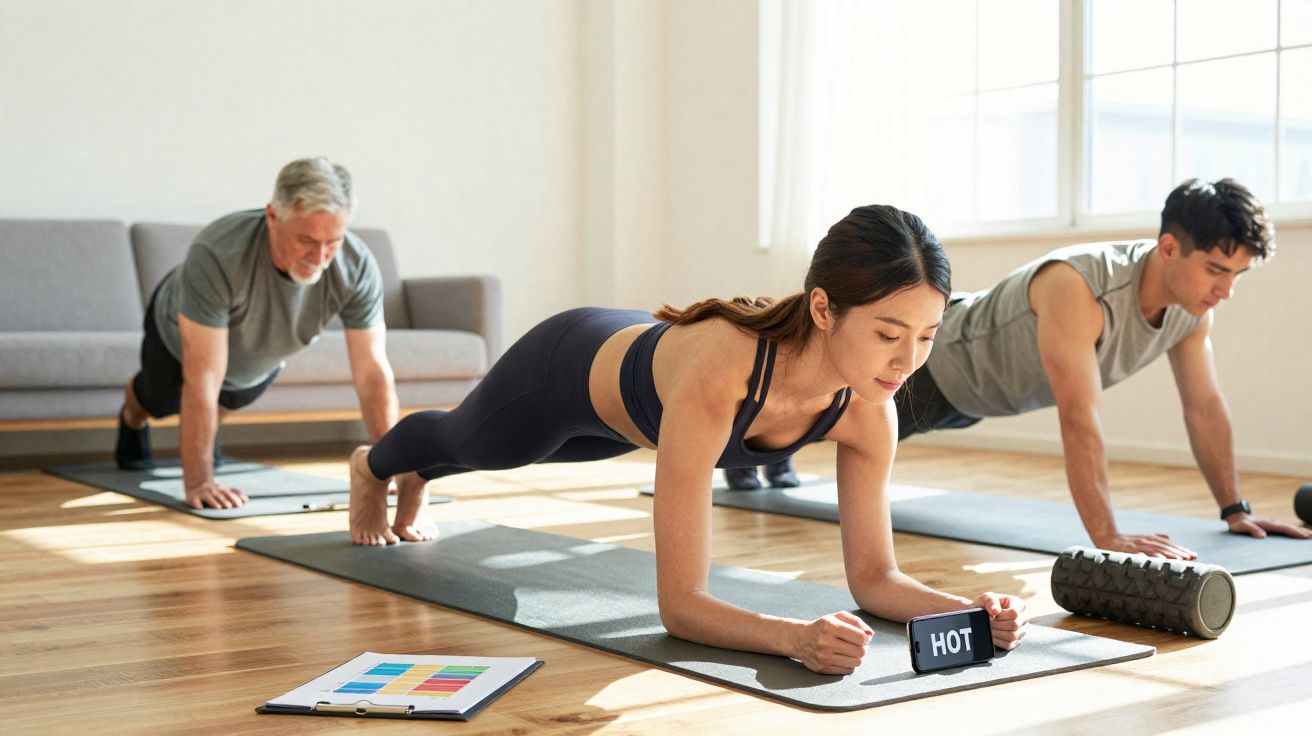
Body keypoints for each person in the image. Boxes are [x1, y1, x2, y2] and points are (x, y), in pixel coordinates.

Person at [348, 205, 1028, 674]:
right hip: (566, 368)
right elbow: (680, 607)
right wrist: (793, 638)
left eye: (926, 337)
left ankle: (422, 473)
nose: (906, 361)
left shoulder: (869, 412)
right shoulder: (723, 375)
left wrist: (968, 610)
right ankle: (376, 466)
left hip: (636, 422)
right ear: (824, 308)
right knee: (478, 444)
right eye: (887, 334)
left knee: (506, 450)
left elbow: (875, 579)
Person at [754, 178, 1311, 558]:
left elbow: (1204, 407)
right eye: (1217, 270)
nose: (1226, 291)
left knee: (817, 424)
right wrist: (1106, 534)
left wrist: (1235, 509)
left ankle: (767, 447)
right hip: (935, 365)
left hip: (976, 400)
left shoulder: (1191, 314)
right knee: (808, 408)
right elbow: (1080, 415)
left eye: (1236, 276)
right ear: (1168, 248)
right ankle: (748, 442)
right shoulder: (1080, 285)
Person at [116, 157, 404, 513]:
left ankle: (207, 436)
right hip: (177, 334)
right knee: (160, 401)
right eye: (305, 239)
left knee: (229, 398)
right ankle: (132, 415)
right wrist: (199, 481)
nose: (320, 256)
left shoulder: (356, 266)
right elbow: (204, 374)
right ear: (272, 216)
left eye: (333, 240)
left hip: (262, 351)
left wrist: (392, 466)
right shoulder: (219, 252)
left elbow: (372, 372)